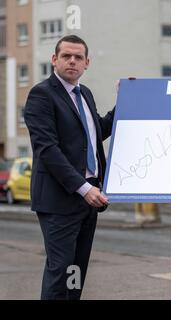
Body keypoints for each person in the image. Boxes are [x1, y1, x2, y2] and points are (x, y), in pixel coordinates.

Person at [24, 35, 115, 300]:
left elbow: (96, 132)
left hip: (88, 200)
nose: (72, 61)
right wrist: (84, 188)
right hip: (60, 199)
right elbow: (47, 150)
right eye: (66, 56)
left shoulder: (84, 93)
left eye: (78, 57)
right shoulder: (41, 95)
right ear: (55, 60)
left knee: (76, 270)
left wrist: (127, 101)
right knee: (60, 270)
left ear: (87, 63)